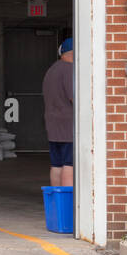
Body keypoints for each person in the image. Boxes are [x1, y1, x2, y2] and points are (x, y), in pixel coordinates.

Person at [42, 37, 74, 186]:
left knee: (56, 164)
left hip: (53, 124)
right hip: (67, 125)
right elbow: (74, 98)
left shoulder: (51, 69)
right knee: (69, 163)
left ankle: (57, 199)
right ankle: (68, 201)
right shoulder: (69, 70)